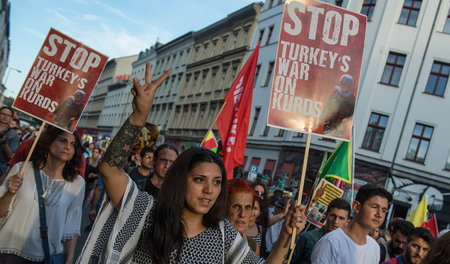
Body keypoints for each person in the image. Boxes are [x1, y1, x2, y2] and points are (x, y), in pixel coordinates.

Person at [76, 62, 307, 263]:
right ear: (180, 180)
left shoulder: (223, 234)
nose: (209, 190)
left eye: (217, 182)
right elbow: (109, 170)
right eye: (199, 179)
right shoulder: (147, 213)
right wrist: (139, 115)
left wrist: (286, 235)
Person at [0, 125, 85, 263]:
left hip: (46, 257)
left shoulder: (77, 183)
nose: (68, 147)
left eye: (73, 144)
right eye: (62, 140)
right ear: (49, 141)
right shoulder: (21, 169)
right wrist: (9, 193)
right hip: (8, 252)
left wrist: (69, 259)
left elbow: (72, 225)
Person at [311, 183, 393, 264]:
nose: (379, 214)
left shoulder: (374, 247)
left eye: (384, 210)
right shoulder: (332, 242)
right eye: (374, 207)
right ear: (356, 207)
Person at [291, 198, 351, 264]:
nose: (336, 221)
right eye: (333, 216)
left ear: (347, 222)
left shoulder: (347, 247)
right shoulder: (307, 237)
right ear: (325, 215)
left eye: (341, 218)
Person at [227, 178, 260, 255]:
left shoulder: (253, 247)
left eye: (247, 207)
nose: (242, 214)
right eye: (236, 206)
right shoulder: (208, 240)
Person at [0, 106, 19, 176]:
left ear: (11, 118)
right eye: (3, 114)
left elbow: (11, 156)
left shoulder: (14, 134)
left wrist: (4, 144)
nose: (5, 117)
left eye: (8, 115)